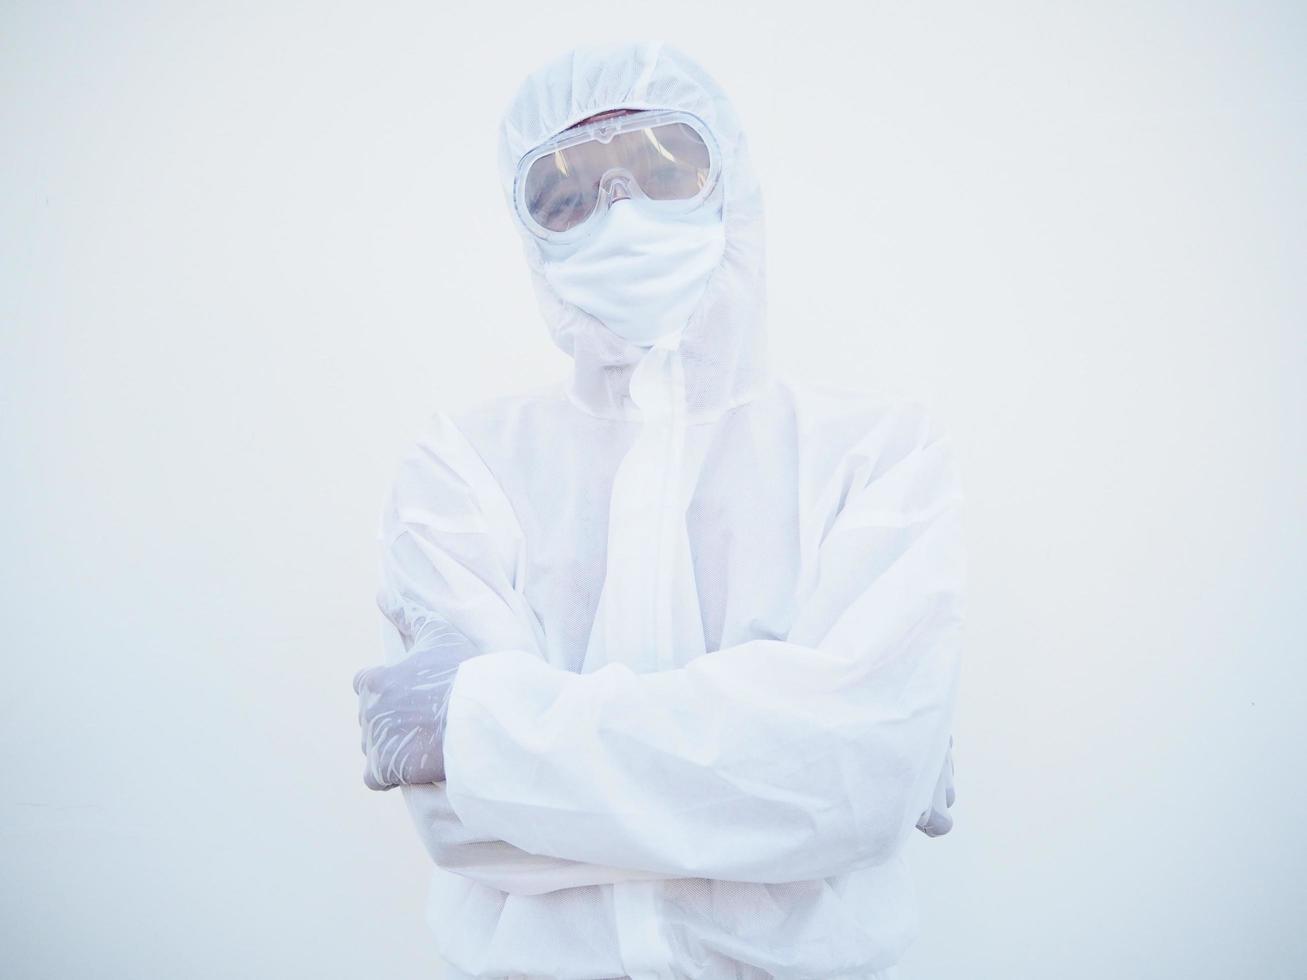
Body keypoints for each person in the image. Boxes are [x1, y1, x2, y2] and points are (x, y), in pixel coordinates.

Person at [353, 40, 963, 980]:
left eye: (658, 167)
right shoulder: (465, 467)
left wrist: (488, 735)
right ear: (531, 238)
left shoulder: (874, 456)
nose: (621, 214)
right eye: (566, 195)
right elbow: (456, 820)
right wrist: (800, 782)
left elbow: (860, 778)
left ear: (733, 186)